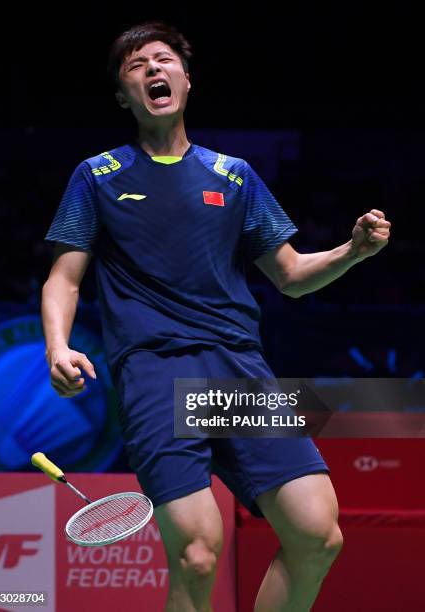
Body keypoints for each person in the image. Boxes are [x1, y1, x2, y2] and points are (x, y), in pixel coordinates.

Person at [42, 21, 391, 612]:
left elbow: (291, 276)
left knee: (317, 534)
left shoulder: (233, 176)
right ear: (124, 96)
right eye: (136, 66)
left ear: (186, 79)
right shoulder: (95, 176)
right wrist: (57, 346)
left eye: (164, 60)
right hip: (153, 369)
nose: (154, 70)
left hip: (237, 368)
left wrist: (351, 251)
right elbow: (64, 277)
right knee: (197, 553)